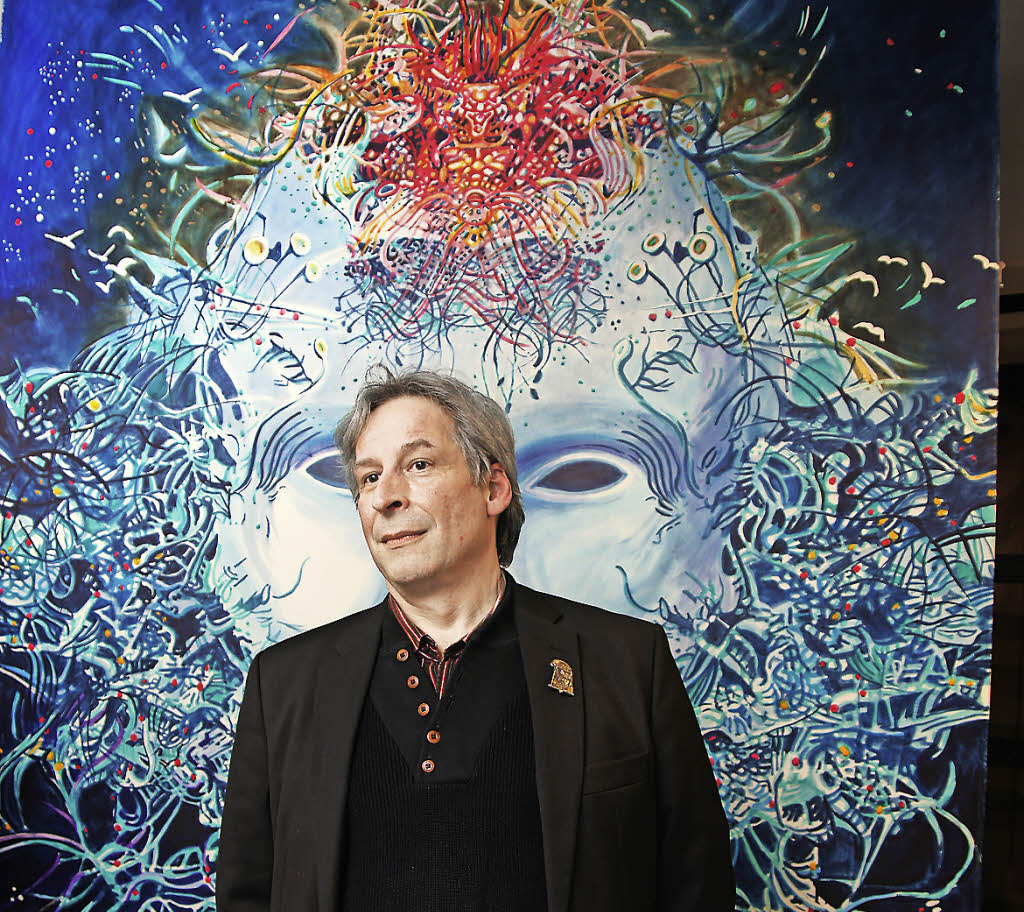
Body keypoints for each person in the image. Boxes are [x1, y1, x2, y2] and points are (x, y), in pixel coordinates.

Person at [216, 366, 735, 912]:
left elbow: (697, 887)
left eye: (418, 465)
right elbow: (247, 894)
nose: (385, 496)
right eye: (368, 477)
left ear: (493, 488)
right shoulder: (282, 685)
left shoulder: (627, 663)